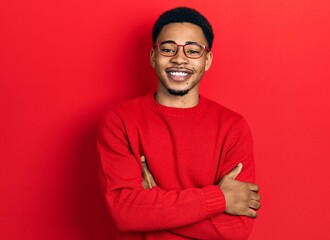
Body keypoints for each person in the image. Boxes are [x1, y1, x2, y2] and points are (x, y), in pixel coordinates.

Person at [97, 6, 261, 240]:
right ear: (153, 57)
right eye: (167, 49)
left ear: (207, 60)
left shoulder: (232, 126)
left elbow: (236, 231)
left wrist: (151, 207)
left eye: (193, 51)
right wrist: (221, 199)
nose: (179, 58)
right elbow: (123, 213)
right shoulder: (120, 120)